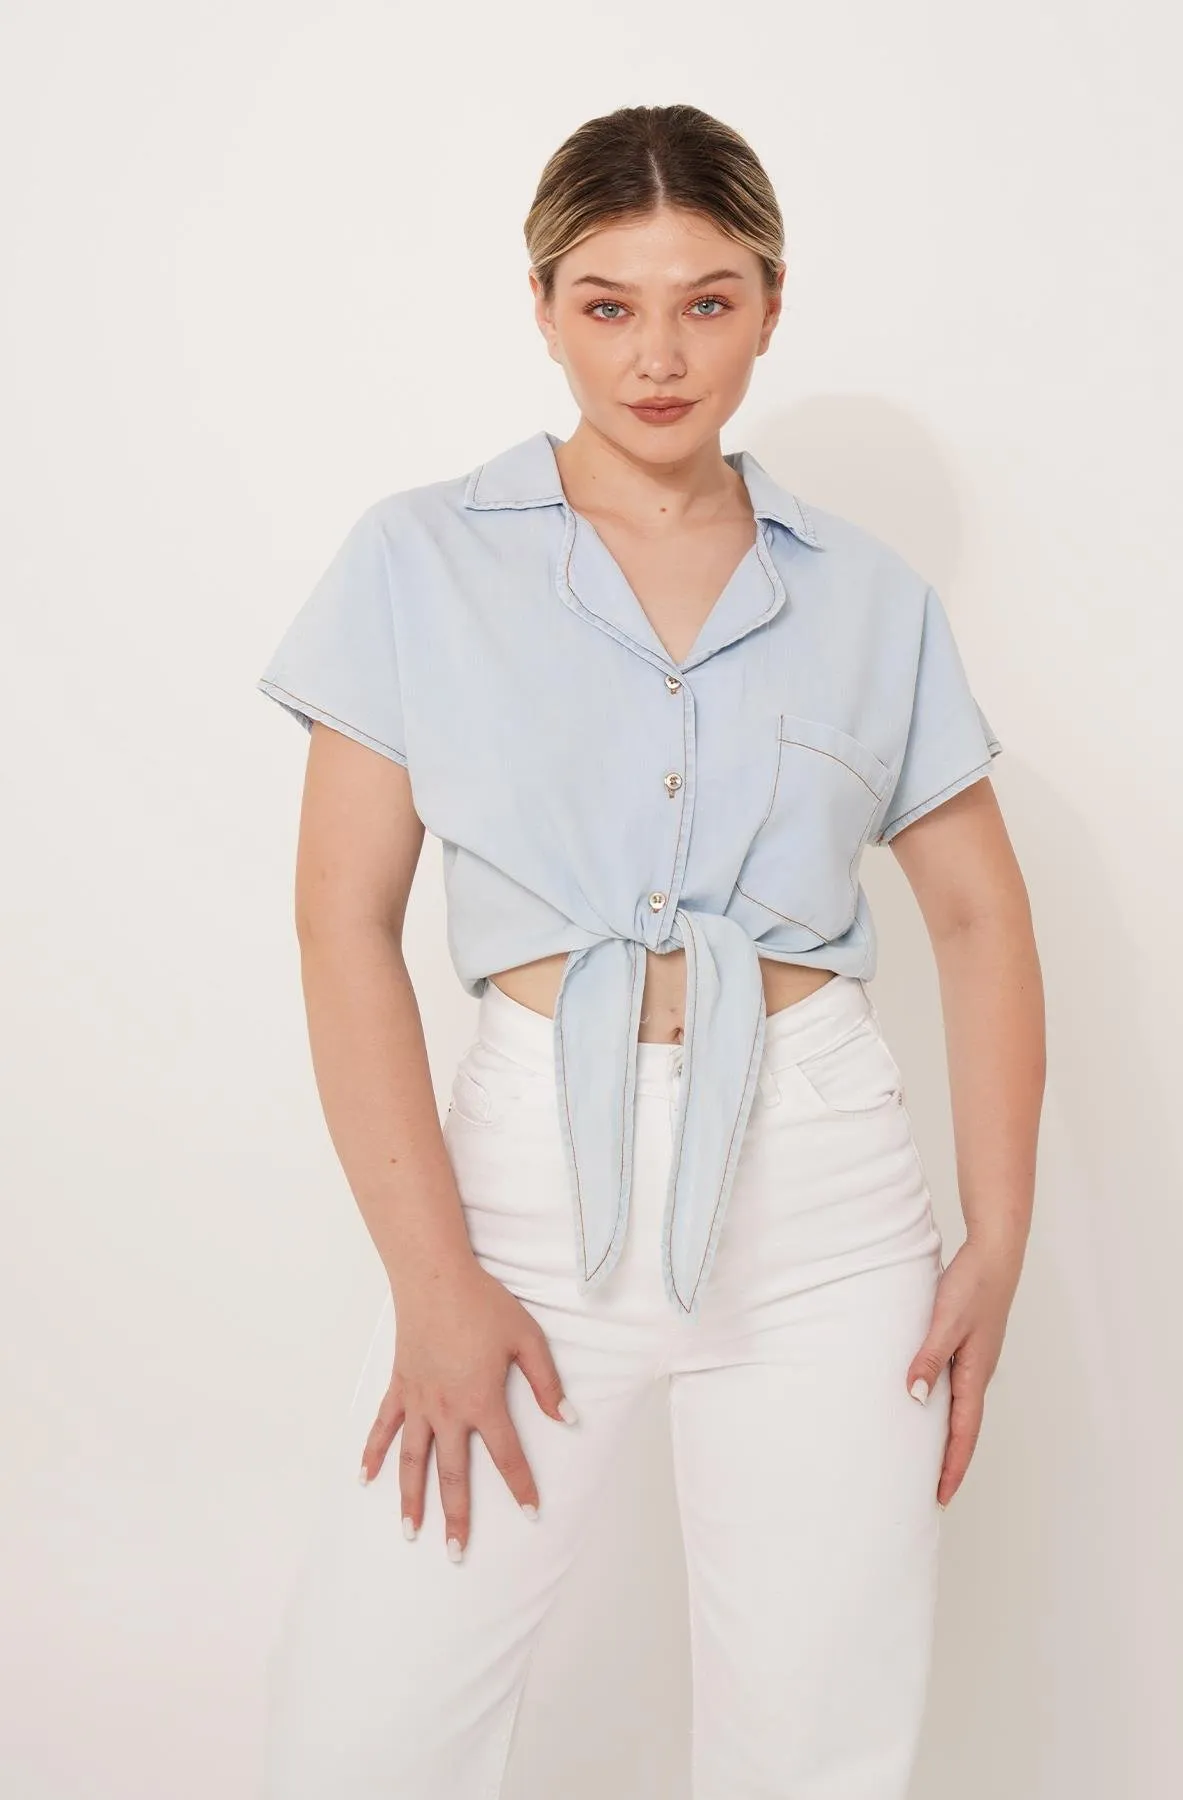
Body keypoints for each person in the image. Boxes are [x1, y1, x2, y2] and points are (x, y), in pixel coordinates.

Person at [255, 103, 1044, 1800]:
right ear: (542, 307)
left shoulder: (868, 594)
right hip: (527, 1187)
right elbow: (343, 924)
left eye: (707, 302)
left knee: (816, 1744)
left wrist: (1000, 1234)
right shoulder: (418, 558)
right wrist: (432, 1281)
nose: (659, 355)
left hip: (829, 1198)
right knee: (365, 1730)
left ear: (771, 305)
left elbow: (981, 911)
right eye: (609, 304)